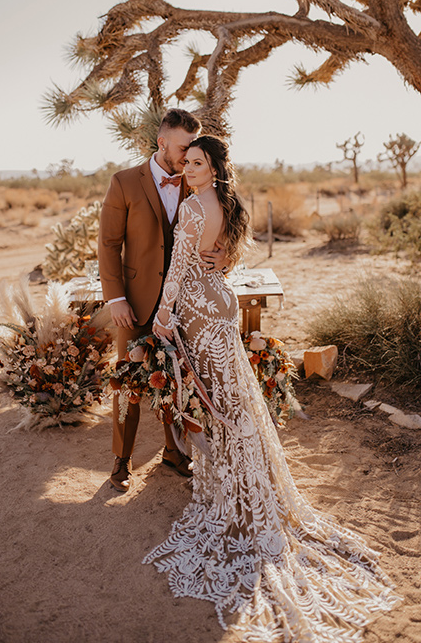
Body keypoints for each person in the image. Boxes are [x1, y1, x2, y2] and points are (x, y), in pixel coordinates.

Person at [148, 135, 399, 642]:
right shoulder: (228, 202)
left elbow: (177, 269)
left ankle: (239, 506)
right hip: (221, 304)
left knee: (221, 405)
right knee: (235, 401)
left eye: (198, 163)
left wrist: (161, 315)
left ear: (214, 166)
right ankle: (244, 491)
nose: (189, 169)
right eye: (186, 162)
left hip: (197, 309)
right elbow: (223, 257)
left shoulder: (196, 206)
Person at [98, 109, 228, 493]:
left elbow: (223, 226)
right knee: (128, 380)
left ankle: (174, 451)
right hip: (135, 302)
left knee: (178, 378)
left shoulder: (197, 177)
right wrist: (116, 298)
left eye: (195, 150)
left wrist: (225, 257)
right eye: (185, 147)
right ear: (163, 143)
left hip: (186, 301)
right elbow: (108, 244)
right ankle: (122, 459)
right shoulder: (123, 182)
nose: (190, 156)